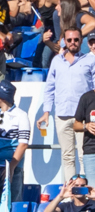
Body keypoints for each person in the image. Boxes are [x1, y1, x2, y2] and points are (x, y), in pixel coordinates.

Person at [39, 27, 95, 183]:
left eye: (76, 40)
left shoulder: (90, 61)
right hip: (62, 114)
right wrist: (46, 111)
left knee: (86, 155)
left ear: (81, 41)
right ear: (64, 41)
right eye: (69, 40)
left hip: (83, 118)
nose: (73, 43)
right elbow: (49, 87)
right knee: (67, 155)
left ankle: (88, 192)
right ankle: (70, 193)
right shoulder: (56, 61)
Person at [0, 80, 30, 204]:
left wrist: (12, 167)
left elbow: (23, 144)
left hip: (12, 167)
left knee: (13, 202)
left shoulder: (21, 115)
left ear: (3, 97)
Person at [16, 0, 58, 67]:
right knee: (37, 58)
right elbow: (25, 11)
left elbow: (66, 5)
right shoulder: (34, 1)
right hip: (46, 29)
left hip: (55, 30)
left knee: (44, 59)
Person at [73, 82, 95, 177]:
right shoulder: (86, 98)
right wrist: (86, 126)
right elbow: (76, 125)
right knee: (92, 189)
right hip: (91, 151)